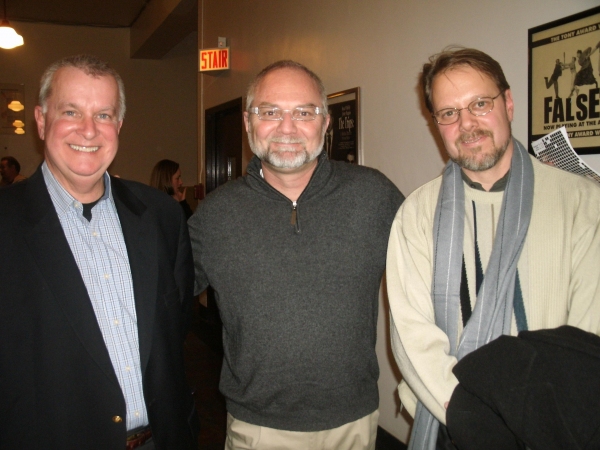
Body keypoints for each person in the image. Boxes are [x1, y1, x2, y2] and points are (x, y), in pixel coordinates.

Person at [386, 47, 600, 450]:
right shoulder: (416, 213)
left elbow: (588, 335)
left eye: (480, 104)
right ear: (437, 124)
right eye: (449, 113)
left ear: (509, 103)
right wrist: (472, 417)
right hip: (452, 422)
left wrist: (545, 417)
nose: (467, 123)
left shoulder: (582, 203)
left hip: (556, 427)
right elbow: (411, 336)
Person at [188, 60, 404, 450]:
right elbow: (159, 293)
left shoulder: (375, 197)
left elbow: (432, 278)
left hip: (352, 424)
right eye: (270, 112)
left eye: (304, 112)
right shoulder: (216, 215)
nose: (287, 127)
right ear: (248, 122)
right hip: (257, 428)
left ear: (325, 123)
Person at [0, 54, 199, 449]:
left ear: (119, 124)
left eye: (104, 115)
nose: (89, 130)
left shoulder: (160, 216)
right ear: (41, 121)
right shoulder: (6, 222)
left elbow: (175, 327)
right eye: (71, 111)